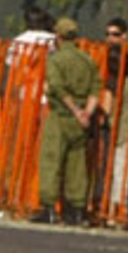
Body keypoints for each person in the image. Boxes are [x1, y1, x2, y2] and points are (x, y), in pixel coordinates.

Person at [31, 16, 101, 225]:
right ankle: (77, 210)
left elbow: (58, 88)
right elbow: (95, 89)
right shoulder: (87, 60)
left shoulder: (56, 60)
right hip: (81, 122)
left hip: (61, 115)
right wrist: (86, 113)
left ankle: (49, 209)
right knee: (77, 165)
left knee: (51, 161)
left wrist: (75, 110)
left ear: (58, 37)